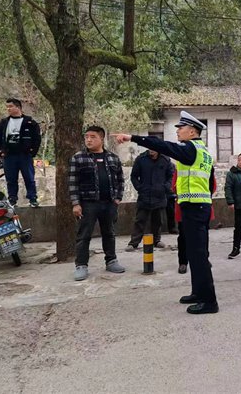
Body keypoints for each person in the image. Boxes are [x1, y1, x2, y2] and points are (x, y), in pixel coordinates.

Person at [113, 111, 218, 315]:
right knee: (194, 253)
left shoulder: (190, 149)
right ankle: (198, 292)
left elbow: (162, 146)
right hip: (198, 207)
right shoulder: (203, 151)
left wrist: (132, 137)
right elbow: (209, 182)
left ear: (192, 131)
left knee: (198, 256)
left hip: (195, 208)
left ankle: (209, 301)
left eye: (181, 128)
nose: (178, 131)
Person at [70, 126, 125, 281]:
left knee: (109, 233)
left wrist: (117, 199)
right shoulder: (78, 158)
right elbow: (73, 183)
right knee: (84, 235)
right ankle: (81, 265)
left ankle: (111, 261)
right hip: (88, 204)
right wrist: (75, 203)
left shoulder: (113, 158)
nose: (88, 140)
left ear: (101, 139)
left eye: (93, 137)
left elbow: (120, 180)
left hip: (109, 203)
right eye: (86, 136)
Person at [0, 98, 41, 207]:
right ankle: (12, 200)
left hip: (24, 155)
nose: (8, 109)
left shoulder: (30, 122)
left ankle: (33, 199)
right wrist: (0, 151)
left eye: (11, 106)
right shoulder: (3, 123)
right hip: (9, 155)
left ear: (18, 107)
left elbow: (37, 138)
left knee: (29, 178)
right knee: (11, 179)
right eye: (7, 107)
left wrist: (32, 151)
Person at [125, 150, 173, 251]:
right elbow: (134, 176)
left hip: (159, 195)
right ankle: (133, 243)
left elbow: (171, 176)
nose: (151, 150)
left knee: (158, 220)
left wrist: (165, 187)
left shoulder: (165, 160)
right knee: (140, 220)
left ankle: (157, 240)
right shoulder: (141, 159)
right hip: (145, 195)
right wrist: (140, 188)